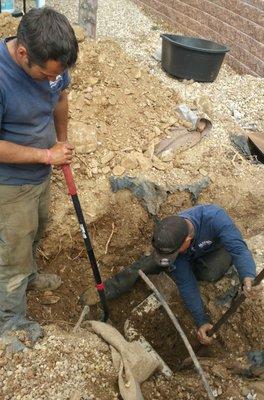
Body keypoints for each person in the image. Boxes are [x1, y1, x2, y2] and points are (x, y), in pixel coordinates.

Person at [0, 7, 78, 346]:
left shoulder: (53, 65)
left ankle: (29, 277)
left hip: (40, 173)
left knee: (37, 229)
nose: (53, 80)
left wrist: (60, 140)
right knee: (13, 252)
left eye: (56, 74)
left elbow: (59, 96)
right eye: (45, 75)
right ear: (22, 53)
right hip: (9, 182)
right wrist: (46, 155)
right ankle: (10, 321)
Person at [83, 204, 261, 345]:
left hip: (214, 250)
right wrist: (201, 320)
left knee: (211, 273)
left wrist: (248, 276)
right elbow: (186, 283)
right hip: (186, 255)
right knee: (147, 264)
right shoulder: (170, 233)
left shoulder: (215, 218)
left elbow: (238, 249)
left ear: (187, 240)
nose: (168, 258)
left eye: (171, 254)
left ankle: (194, 264)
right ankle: (106, 290)